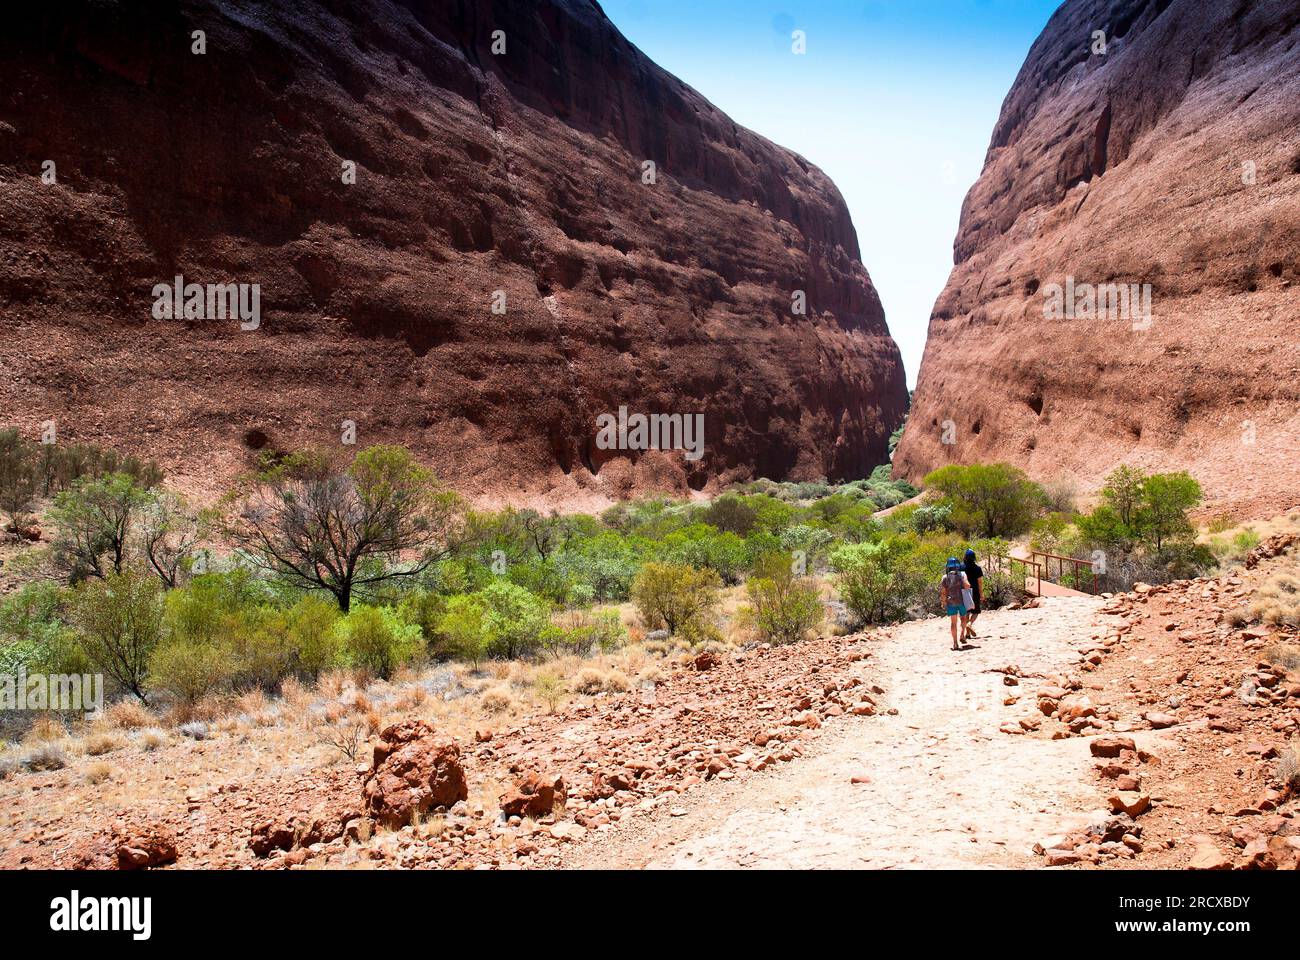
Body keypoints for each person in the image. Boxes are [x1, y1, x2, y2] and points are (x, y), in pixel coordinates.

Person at [939, 557, 970, 651]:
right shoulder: (962, 574)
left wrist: (943, 602)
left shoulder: (945, 577)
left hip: (951, 601)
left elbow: (943, 592)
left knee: (953, 623)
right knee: (963, 618)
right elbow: (967, 585)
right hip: (962, 601)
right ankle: (962, 635)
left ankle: (955, 643)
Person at [963, 548, 984, 639]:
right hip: (975, 591)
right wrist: (981, 593)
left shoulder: (961, 567)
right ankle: (970, 623)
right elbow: (979, 582)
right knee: (976, 611)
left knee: (967, 611)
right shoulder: (977, 568)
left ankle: (967, 634)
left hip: (964, 591)